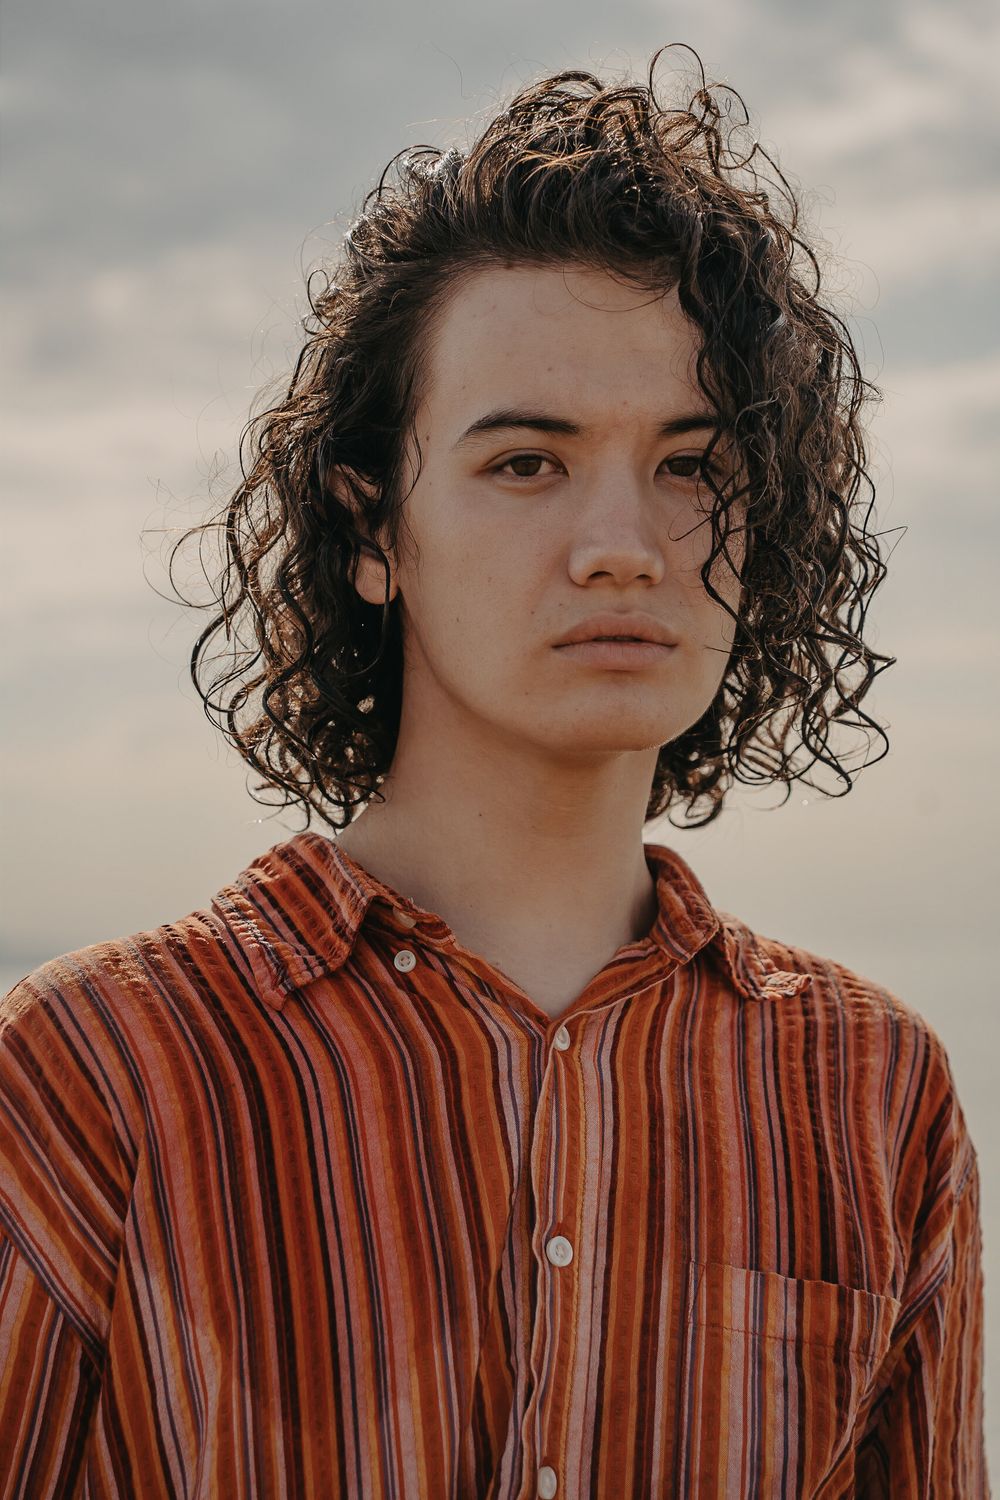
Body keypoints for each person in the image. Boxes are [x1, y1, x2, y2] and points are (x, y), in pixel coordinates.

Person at [0, 45, 988, 1499]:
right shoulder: (98, 1074)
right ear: (369, 529)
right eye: (527, 461)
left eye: (694, 466)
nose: (622, 542)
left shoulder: (872, 1090)